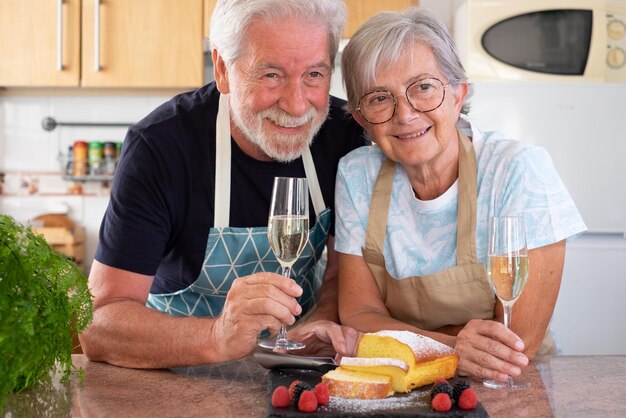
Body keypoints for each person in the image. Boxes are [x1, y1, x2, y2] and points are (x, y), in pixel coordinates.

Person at [79, 0, 367, 369]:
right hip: (174, 379)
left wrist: (319, 319)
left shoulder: (343, 137)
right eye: (271, 75)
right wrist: (218, 337)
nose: (297, 106)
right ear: (222, 69)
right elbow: (98, 323)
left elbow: (344, 273)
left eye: (314, 74)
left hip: (294, 373)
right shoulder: (161, 148)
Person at [335, 7, 586, 383]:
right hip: (406, 383)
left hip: (511, 385)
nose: (404, 114)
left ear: (458, 94)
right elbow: (358, 315)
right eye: (379, 98)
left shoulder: (518, 170)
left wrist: (406, 339)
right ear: (361, 118)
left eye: (423, 87)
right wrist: (452, 348)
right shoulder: (357, 174)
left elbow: (519, 342)